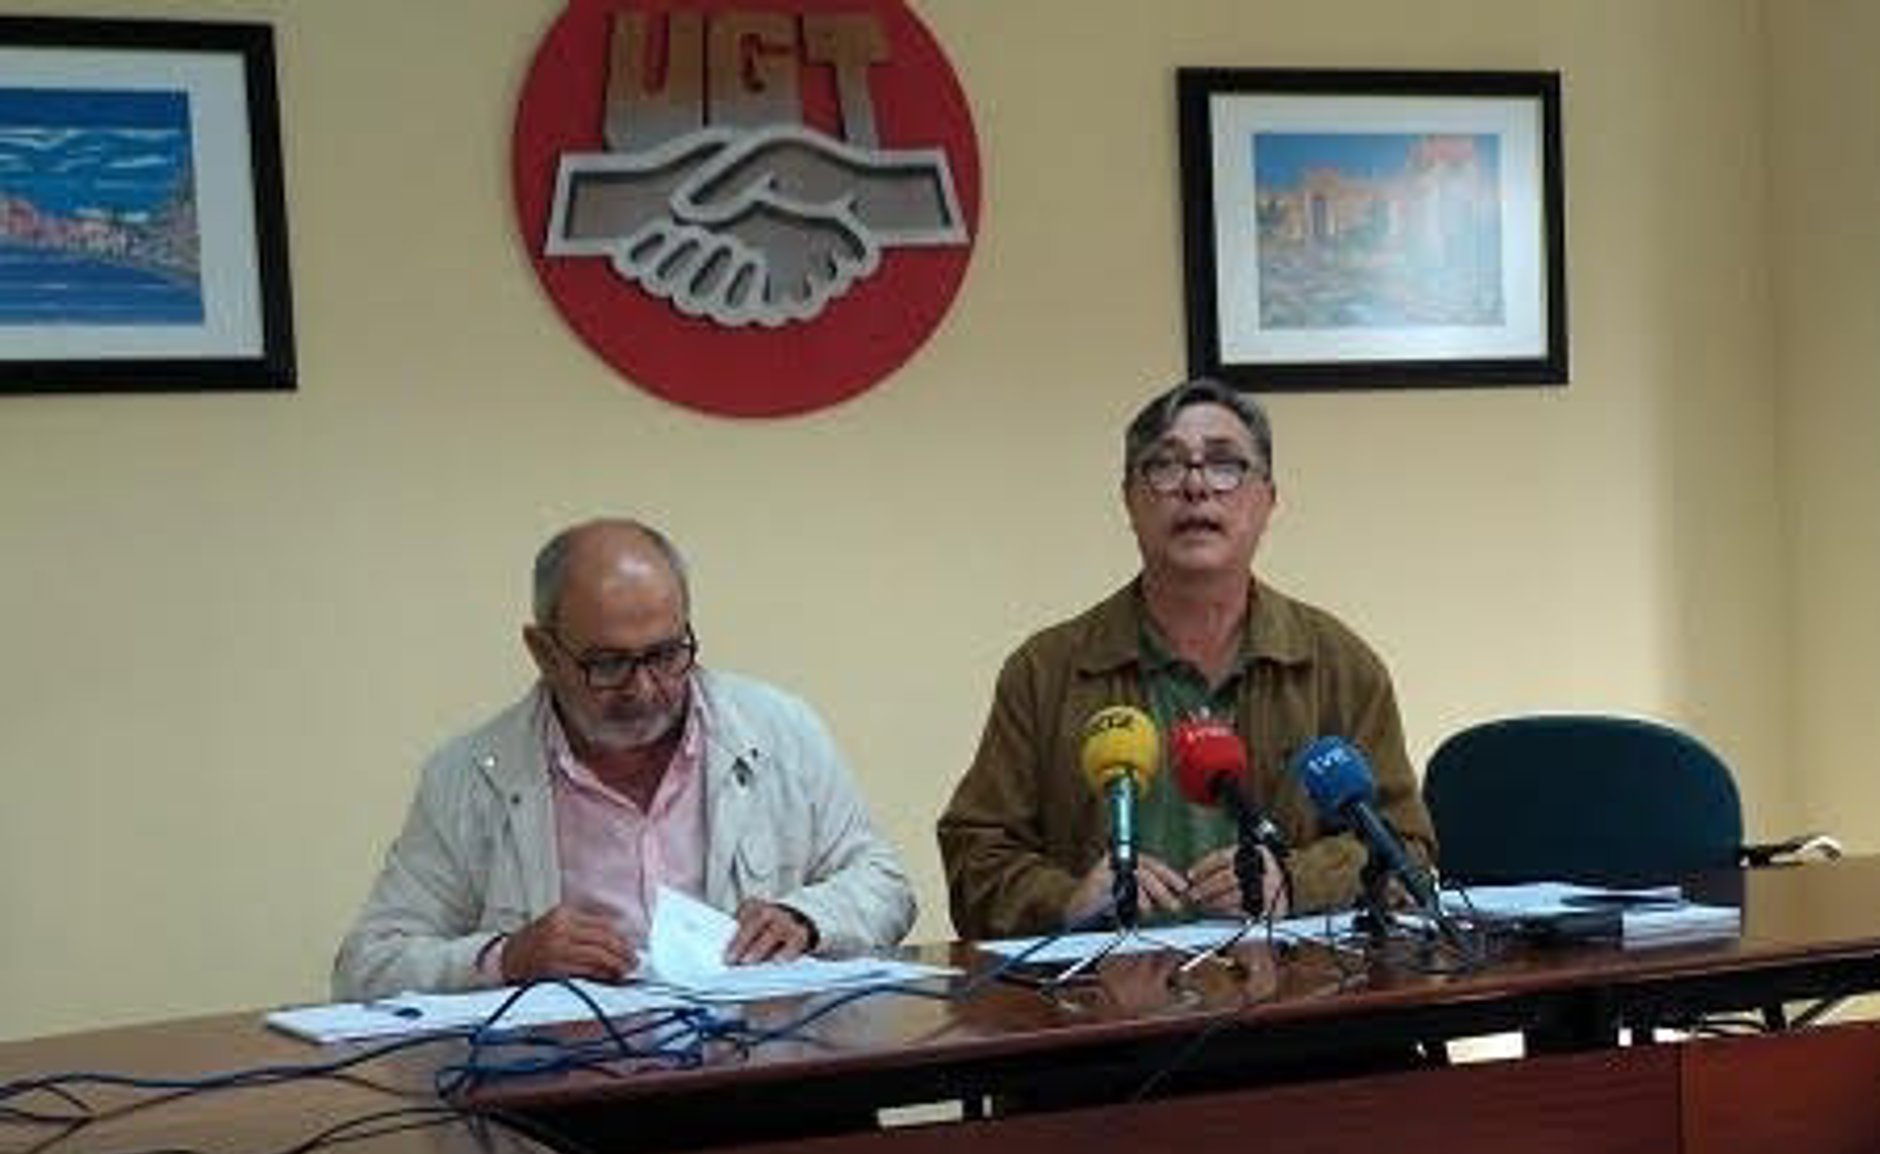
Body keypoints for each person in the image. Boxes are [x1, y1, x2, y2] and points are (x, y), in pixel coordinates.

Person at [937, 377, 1436, 940]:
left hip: (1297, 984)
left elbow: (1406, 846)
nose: (1196, 486)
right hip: (1103, 985)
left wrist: (1297, 883)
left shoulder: (1338, 664)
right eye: (1166, 466)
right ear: (1130, 500)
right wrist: (1067, 900)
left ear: (1268, 500)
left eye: (1225, 465)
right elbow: (974, 856)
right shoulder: (1045, 671)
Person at [334, 518, 915, 1000]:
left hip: (759, 1063)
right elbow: (368, 966)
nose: (645, 689)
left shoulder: (776, 730)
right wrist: (504, 958)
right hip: (570, 1079)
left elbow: (885, 885)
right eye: (609, 664)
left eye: (665, 655)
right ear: (543, 652)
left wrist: (807, 919)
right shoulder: (470, 774)